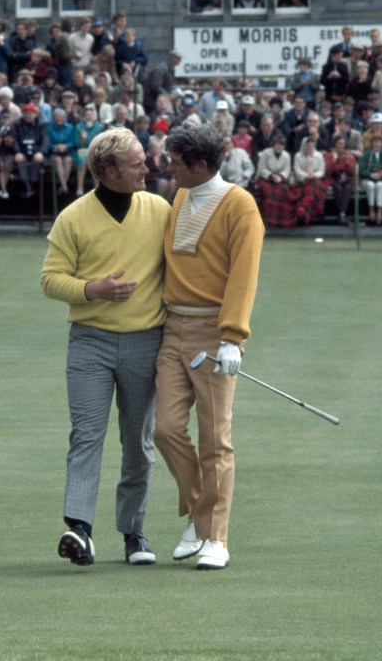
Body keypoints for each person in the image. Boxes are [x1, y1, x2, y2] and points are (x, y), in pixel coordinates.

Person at [40, 126, 169, 567]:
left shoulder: (158, 208)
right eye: (137, 163)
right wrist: (93, 289)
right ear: (107, 170)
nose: (146, 168)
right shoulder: (73, 217)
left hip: (145, 340)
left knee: (138, 442)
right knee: (87, 436)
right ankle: (79, 529)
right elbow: (51, 279)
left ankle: (134, 532)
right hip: (90, 343)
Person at [156, 123, 263, 571]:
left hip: (214, 335)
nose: (169, 168)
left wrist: (233, 335)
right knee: (164, 429)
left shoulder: (240, 205)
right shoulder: (179, 196)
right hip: (171, 328)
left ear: (200, 165)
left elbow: (244, 273)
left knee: (215, 438)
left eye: (176, 162)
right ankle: (201, 514)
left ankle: (215, 536)